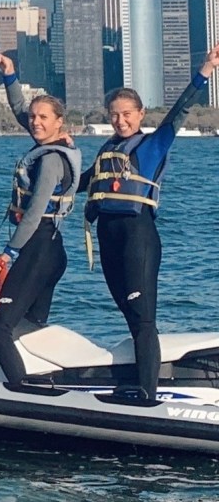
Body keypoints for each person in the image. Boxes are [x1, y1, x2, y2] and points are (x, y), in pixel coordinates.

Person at [79, 41, 219, 401]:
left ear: (141, 114)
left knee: (143, 319)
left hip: (137, 238)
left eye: (127, 113)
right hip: (108, 240)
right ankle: (140, 380)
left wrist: (203, 73)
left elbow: (179, 112)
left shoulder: (153, 144)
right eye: (114, 114)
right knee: (128, 313)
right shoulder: (108, 150)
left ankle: (147, 394)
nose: (120, 120)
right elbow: (82, 182)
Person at [0, 52, 82, 388]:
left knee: (0, 327)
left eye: (44, 118)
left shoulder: (52, 159)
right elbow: (18, 110)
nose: (36, 122)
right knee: (29, 324)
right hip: (51, 252)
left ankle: (22, 393)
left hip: (39, 249)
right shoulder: (50, 145)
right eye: (34, 117)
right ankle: (40, 380)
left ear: (60, 124)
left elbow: (35, 212)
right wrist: (10, 75)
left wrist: (5, 257)